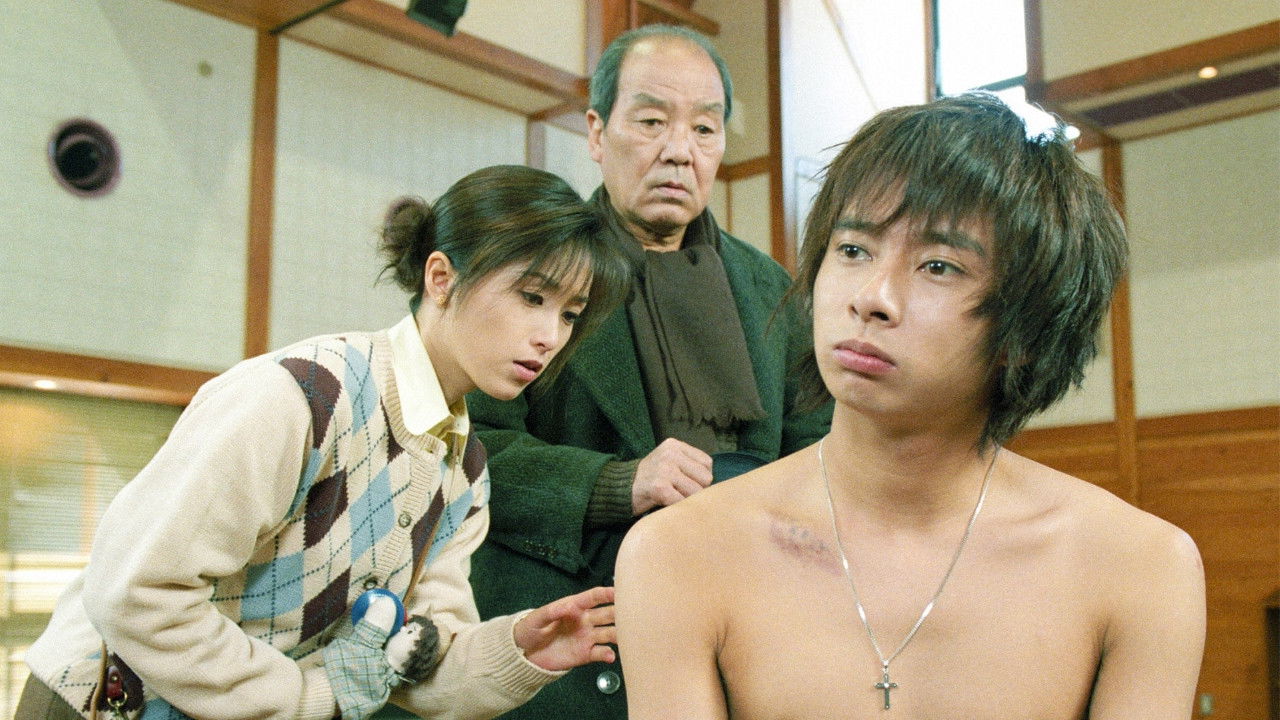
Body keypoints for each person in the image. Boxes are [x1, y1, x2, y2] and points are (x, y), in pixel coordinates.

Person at [615, 93, 1207, 718]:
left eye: (939, 266)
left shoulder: (1140, 569)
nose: (871, 297)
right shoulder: (681, 551)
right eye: (852, 250)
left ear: (1027, 332)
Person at [18, 165, 632, 720]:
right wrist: (305, 698)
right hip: (97, 701)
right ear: (441, 277)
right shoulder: (301, 398)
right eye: (532, 297)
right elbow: (136, 593)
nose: (550, 335)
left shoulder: (464, 471)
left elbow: (418, 662)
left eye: (569, 314)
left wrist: (520, 649)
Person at [466, 24, 832, 720]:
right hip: (571, 633)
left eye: (704, 128)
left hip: (742, 632)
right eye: (652, 121)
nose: (679, 150)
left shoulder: (773, 291)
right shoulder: (529, 271)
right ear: (597, 132)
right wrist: (618, 483)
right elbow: (469, 450)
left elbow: (821, 455)